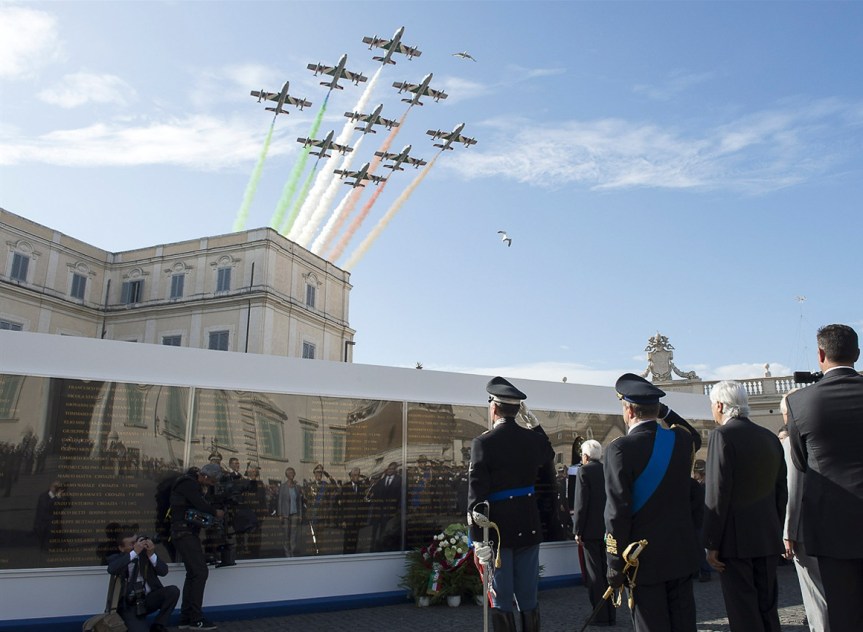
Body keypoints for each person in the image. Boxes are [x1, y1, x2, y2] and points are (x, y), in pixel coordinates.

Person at [604, 373, 702, 632]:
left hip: (642, 561)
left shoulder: (619, 449)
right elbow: (693, 435)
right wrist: (665, 411)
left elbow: (617, 511)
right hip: (680, 553)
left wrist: (614, 563)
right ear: (657, 408)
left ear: (628, 410)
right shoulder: (680, 441)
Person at [786, 324, 863, 632]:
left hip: (832, 528)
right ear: (857, 354)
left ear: (820, 354)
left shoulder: (800, 401)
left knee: (843, 614)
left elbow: (800, 461)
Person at [468, 376, 554, 632]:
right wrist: (535, 425)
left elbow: (476, 496)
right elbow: (548, 453)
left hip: (497, 530)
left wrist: (476, 540)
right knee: (528, 597)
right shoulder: (532, 439)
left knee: (501, 598)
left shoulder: (483, 442)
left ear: (493, 408)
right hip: (528, 523)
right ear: (519, 410)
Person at [703, 381, 787, 632]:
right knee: (768, 609)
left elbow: (717, 492)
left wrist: (711, 542)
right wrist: (776, 530)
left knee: (744, 613)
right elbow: (781, 491)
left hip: (735, 542)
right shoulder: (770, 437)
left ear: (719, 405)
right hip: (767, 537)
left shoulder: (722, 436)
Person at [779, 392, 829, 632]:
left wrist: (788, 531)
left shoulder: (791, 442)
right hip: (839, 524)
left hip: (806, 529)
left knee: (816, 596)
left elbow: (793, 487)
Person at [169, 463, 224, 630]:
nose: (211, 485)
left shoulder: (190, 483)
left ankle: (186, 617)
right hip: (184, 533)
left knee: (193, 573)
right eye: (212, 482)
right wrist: (216, 513)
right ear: (206, 476)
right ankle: (195, 618)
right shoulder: (189, 484)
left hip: (186, 533)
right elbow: (200, 504)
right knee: (200, 572)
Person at [573, 439, 614, 627]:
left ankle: (599, 615)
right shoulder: (608, 469)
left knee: (594, 574)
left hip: (590, 530)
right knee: (608, 571)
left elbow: (581, 504)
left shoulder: (584, 471)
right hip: (608, 529)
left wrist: (577, 530)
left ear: (586, 456)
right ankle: (611, 613)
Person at [106, 530, 179, 632]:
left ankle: (158, 625)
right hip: (130, 605)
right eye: (132, 544)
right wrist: (134, 552)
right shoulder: (118, 559)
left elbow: (163, 571)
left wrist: (151, 554)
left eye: (137, 542)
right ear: (121, 548)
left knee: (173, 591)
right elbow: (112, 569)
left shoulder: (146, 555)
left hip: (148, 598)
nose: (137, 545)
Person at [368, 461, 402, 552]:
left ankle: (381, 546)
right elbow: (376, 492)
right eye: (389, 469)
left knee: (384, 529)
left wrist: (397, 509)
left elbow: (400, 495)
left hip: (390, 510)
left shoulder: (399, 480)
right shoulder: (381, 480)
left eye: (392, 469)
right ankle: (373, 546)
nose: (390, 471)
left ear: (395, 470)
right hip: (378, 509)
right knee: (375, 529)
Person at [339, 467, 368, 554]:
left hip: (357, 519)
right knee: (347, 540)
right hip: (348, 519)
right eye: (355, 475)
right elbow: (342, 505)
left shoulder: (361, 487)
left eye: (358, 475)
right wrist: (343, 520)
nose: (356, 477)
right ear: (351, 476)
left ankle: (353, 556)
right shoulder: (345, 487)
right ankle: (346, 557)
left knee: (355, 540)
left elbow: (363, 503)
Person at [690, 459, 710, 582]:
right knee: (696, 547)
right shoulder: (698, 484)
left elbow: (696, 503)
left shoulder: (697, 485)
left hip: (698, 520)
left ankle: (705, 570)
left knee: (699, 547)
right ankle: (698, 570)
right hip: (698, 519)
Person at [277, 466, 303, 557]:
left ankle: (292, 552)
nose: (292, 474)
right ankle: (287, 552)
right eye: (290, 473)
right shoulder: (283, 486)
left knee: (293, 534)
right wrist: (280, 514)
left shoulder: (296, 487)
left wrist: (300, 514)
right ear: (287, 475)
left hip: (295, 514)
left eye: (293, 473)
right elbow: (279, 500)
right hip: (285, 515)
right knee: (286, 535)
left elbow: (299, 501)